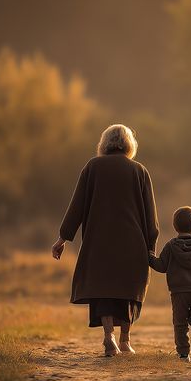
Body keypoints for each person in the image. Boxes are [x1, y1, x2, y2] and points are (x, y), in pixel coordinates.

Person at [51, 124, 159, 357]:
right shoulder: (139, 171)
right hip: (133, 242)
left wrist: (63, 237)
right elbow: (151, 216)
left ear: (104, 143)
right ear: (130, 144)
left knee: (104, 288)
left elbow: (76, 207)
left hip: (99, 242)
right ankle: (125, 341)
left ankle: (108, 337)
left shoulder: (92, 167)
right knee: (129, 289)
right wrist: (151, 247)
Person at [149, 206, 191, 362]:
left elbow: (161, 266)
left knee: (180, 323)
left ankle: (184, 354)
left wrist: (150, 257)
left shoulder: (171, 246)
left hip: (179, 292)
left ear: (175, 226)